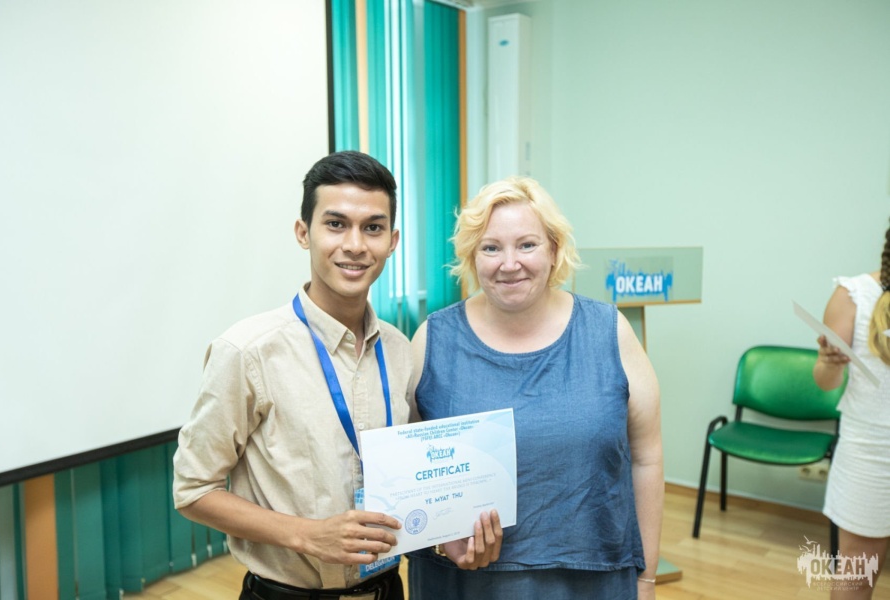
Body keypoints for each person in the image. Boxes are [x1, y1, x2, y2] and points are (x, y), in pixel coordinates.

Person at [173, 151, 499, 600]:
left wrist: (448, 535)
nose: (355, 245)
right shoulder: (248, 352)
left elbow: (412, 479)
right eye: (336, 224)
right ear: (303, 233)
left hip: (387, 589)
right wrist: (307, 535)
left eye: (373, 228)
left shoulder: (399, 349)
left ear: (393, 241)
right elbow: (193, 490)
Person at [406, 177, 663, 600]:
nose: (509, 264)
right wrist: (439, 535)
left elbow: (647, 458)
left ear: (554, 250)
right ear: (471, 256)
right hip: (466, 582)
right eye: (491, 248)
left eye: (527, 245)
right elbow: (411, 472)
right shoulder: (433, 339)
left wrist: (647, 578)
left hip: (592, 580)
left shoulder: (609, 332)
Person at [813, 219, 890, 599]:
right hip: (871, 453)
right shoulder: (854, 294)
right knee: (856, 579)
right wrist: (830, 363)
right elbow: (825, 381)